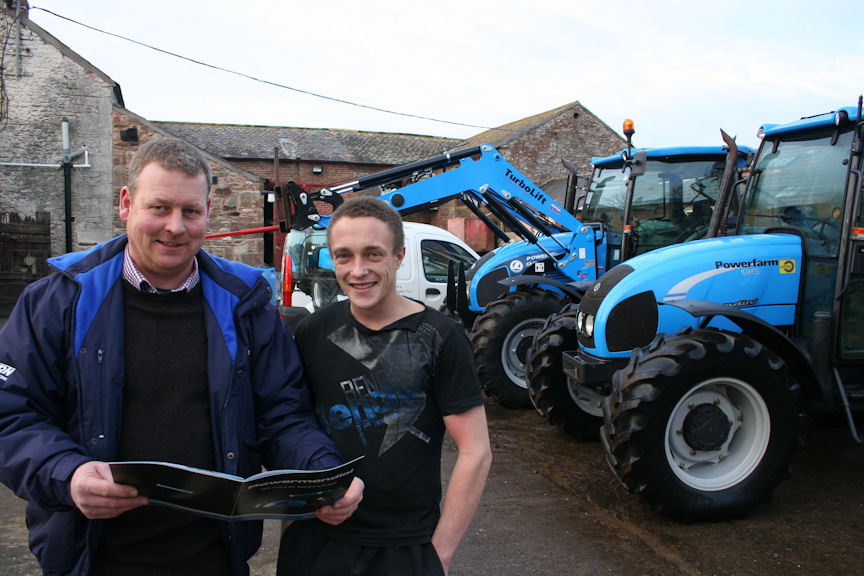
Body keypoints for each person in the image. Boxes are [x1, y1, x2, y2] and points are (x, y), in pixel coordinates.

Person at [0, 138, 362, 576]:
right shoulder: (59, 302)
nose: (175, 226)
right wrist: (66, 473)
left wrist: (322, 477)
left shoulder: (247, 306)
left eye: (190, 211)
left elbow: (282, 415)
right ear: (126, 204)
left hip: (213, 557)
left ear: (208, 212)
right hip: (92, 556)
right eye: (159, 208)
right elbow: (12, 415)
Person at [277, 197, 492, 576]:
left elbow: (476, 452)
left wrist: (438, 555)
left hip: (404, 547)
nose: (358, 270)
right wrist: (292, 522)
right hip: (318, 543)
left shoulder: (441, 337)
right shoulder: (311, 332)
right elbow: (293, 430)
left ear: (399, 256)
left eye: (373, 254)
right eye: (343, 256)